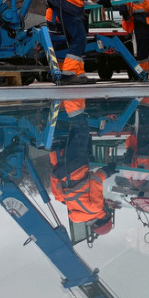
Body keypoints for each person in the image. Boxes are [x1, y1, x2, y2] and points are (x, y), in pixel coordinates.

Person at [49, 99, 117, 235]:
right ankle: (64, 103)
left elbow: (96, 180)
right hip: (63, 171)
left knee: (81, 132)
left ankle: (71, 97)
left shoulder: (96, 208)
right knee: (71, 133)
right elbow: (59, 195)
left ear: (105, 218)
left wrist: (108, 171)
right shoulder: (74, 210)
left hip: (76, 168)